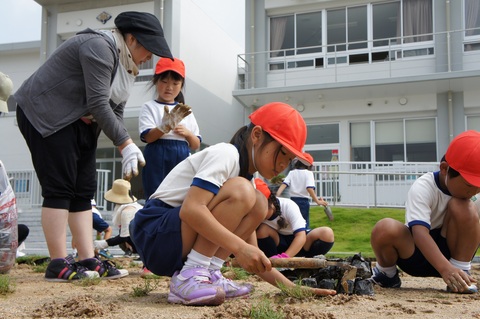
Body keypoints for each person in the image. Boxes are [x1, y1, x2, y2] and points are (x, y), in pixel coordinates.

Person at [13, 11, 173, 282]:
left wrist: (122, 141)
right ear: (132, 39)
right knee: (60, 188)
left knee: (83, 189)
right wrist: (125, 144)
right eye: (149, 49)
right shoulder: (99, 47)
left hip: (81, 121)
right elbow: (99, 102)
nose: (150, 57)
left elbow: (115, 111)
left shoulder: (127, 66)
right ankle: (57, 263)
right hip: (46, 113)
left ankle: (87, 258)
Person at [130, 102, 337, 307]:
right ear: (256, 135)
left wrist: (290, 286)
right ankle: (190, 275)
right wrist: (239, 249)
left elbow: (254, 252)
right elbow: (192, 209)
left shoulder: (247, 180)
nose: (284, 165)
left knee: (257, 202)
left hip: (173, 238)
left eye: (290, 159)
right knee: (246, 192)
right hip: (154, 232)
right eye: (282, 153)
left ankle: (209, 272)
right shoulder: (227, 154)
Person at [369, 130, 480, 294]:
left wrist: (453, 268)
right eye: (469, 185)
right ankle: (387, 274)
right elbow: (419, 233)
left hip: (455, 256)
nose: (475, 191)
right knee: (384, 227)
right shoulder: (424, 186)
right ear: (444, 169)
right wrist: (444, 268)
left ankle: (461, 274)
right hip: (416, 256)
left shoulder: (473, 196)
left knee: (463, 206)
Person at [139, 57, 201, 200]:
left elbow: (195, 144)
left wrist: (187, 134)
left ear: (181, 85)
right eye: (164, 81)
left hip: (181, 154)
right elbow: (147, 137)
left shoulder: (185, 111)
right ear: (156, 81)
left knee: (180, 196)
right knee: (155, 194)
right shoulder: (149, 107)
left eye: (175, 83)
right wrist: (165, 126)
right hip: (156, 152)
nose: (169, 87)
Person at [254, 178, 334, 259]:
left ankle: (308, 265)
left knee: (327, 233)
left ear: (269, 202)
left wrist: (285, 257)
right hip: (278, 243)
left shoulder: (288, 205)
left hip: (301, 243)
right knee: (262, 230)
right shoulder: (252, 215)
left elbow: (301, 236)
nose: (256, 212)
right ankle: (272, 264)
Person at [93, 180, 144, 269]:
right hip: (143, 239)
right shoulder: (134, 206)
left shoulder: (127, 211)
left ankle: (147, 264)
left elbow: (125, 236)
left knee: (127, 237)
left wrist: (102, 244)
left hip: (145, 241)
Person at [276, 152, 332, 228]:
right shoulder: (309, 173)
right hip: (303, 202)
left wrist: (276, 196)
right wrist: (317, 201)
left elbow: (284, 185)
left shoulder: (292, 173)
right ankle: (304, 238)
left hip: (292, 201)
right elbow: (309, 188)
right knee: (304, 224)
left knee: (293, 224)